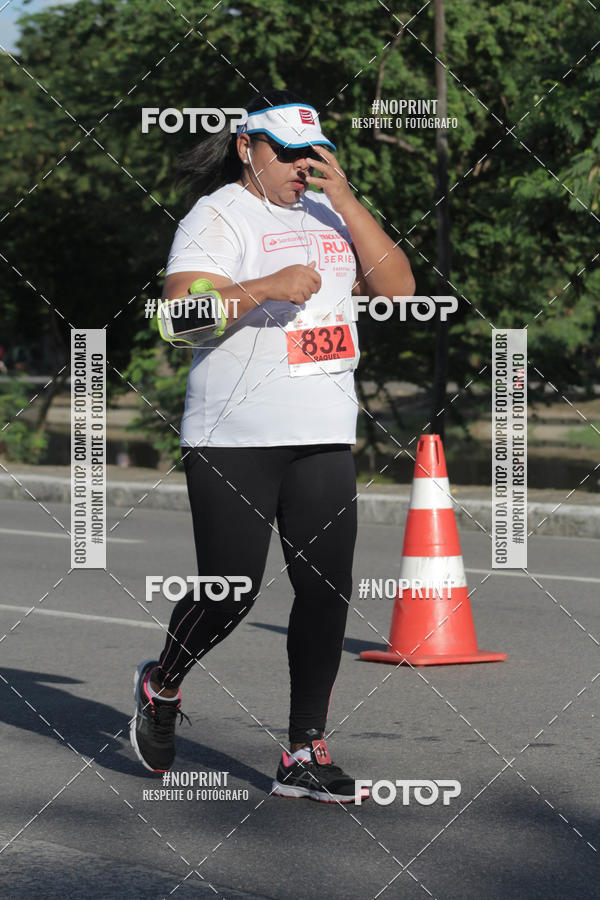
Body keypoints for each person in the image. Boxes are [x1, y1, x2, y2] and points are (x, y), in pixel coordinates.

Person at [130, 89, 415, 803]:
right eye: (285, 153)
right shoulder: (218, 214)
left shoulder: (328, 213)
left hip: (322, 432)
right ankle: (162, 681)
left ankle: (304, 749)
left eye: (313, 154)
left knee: (325, 592)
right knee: (232, 592)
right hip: (234, 436)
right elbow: (179, 319)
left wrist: (347, 201)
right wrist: (267, 287)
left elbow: (400, 290)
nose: (300, 166)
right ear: (246, 148)